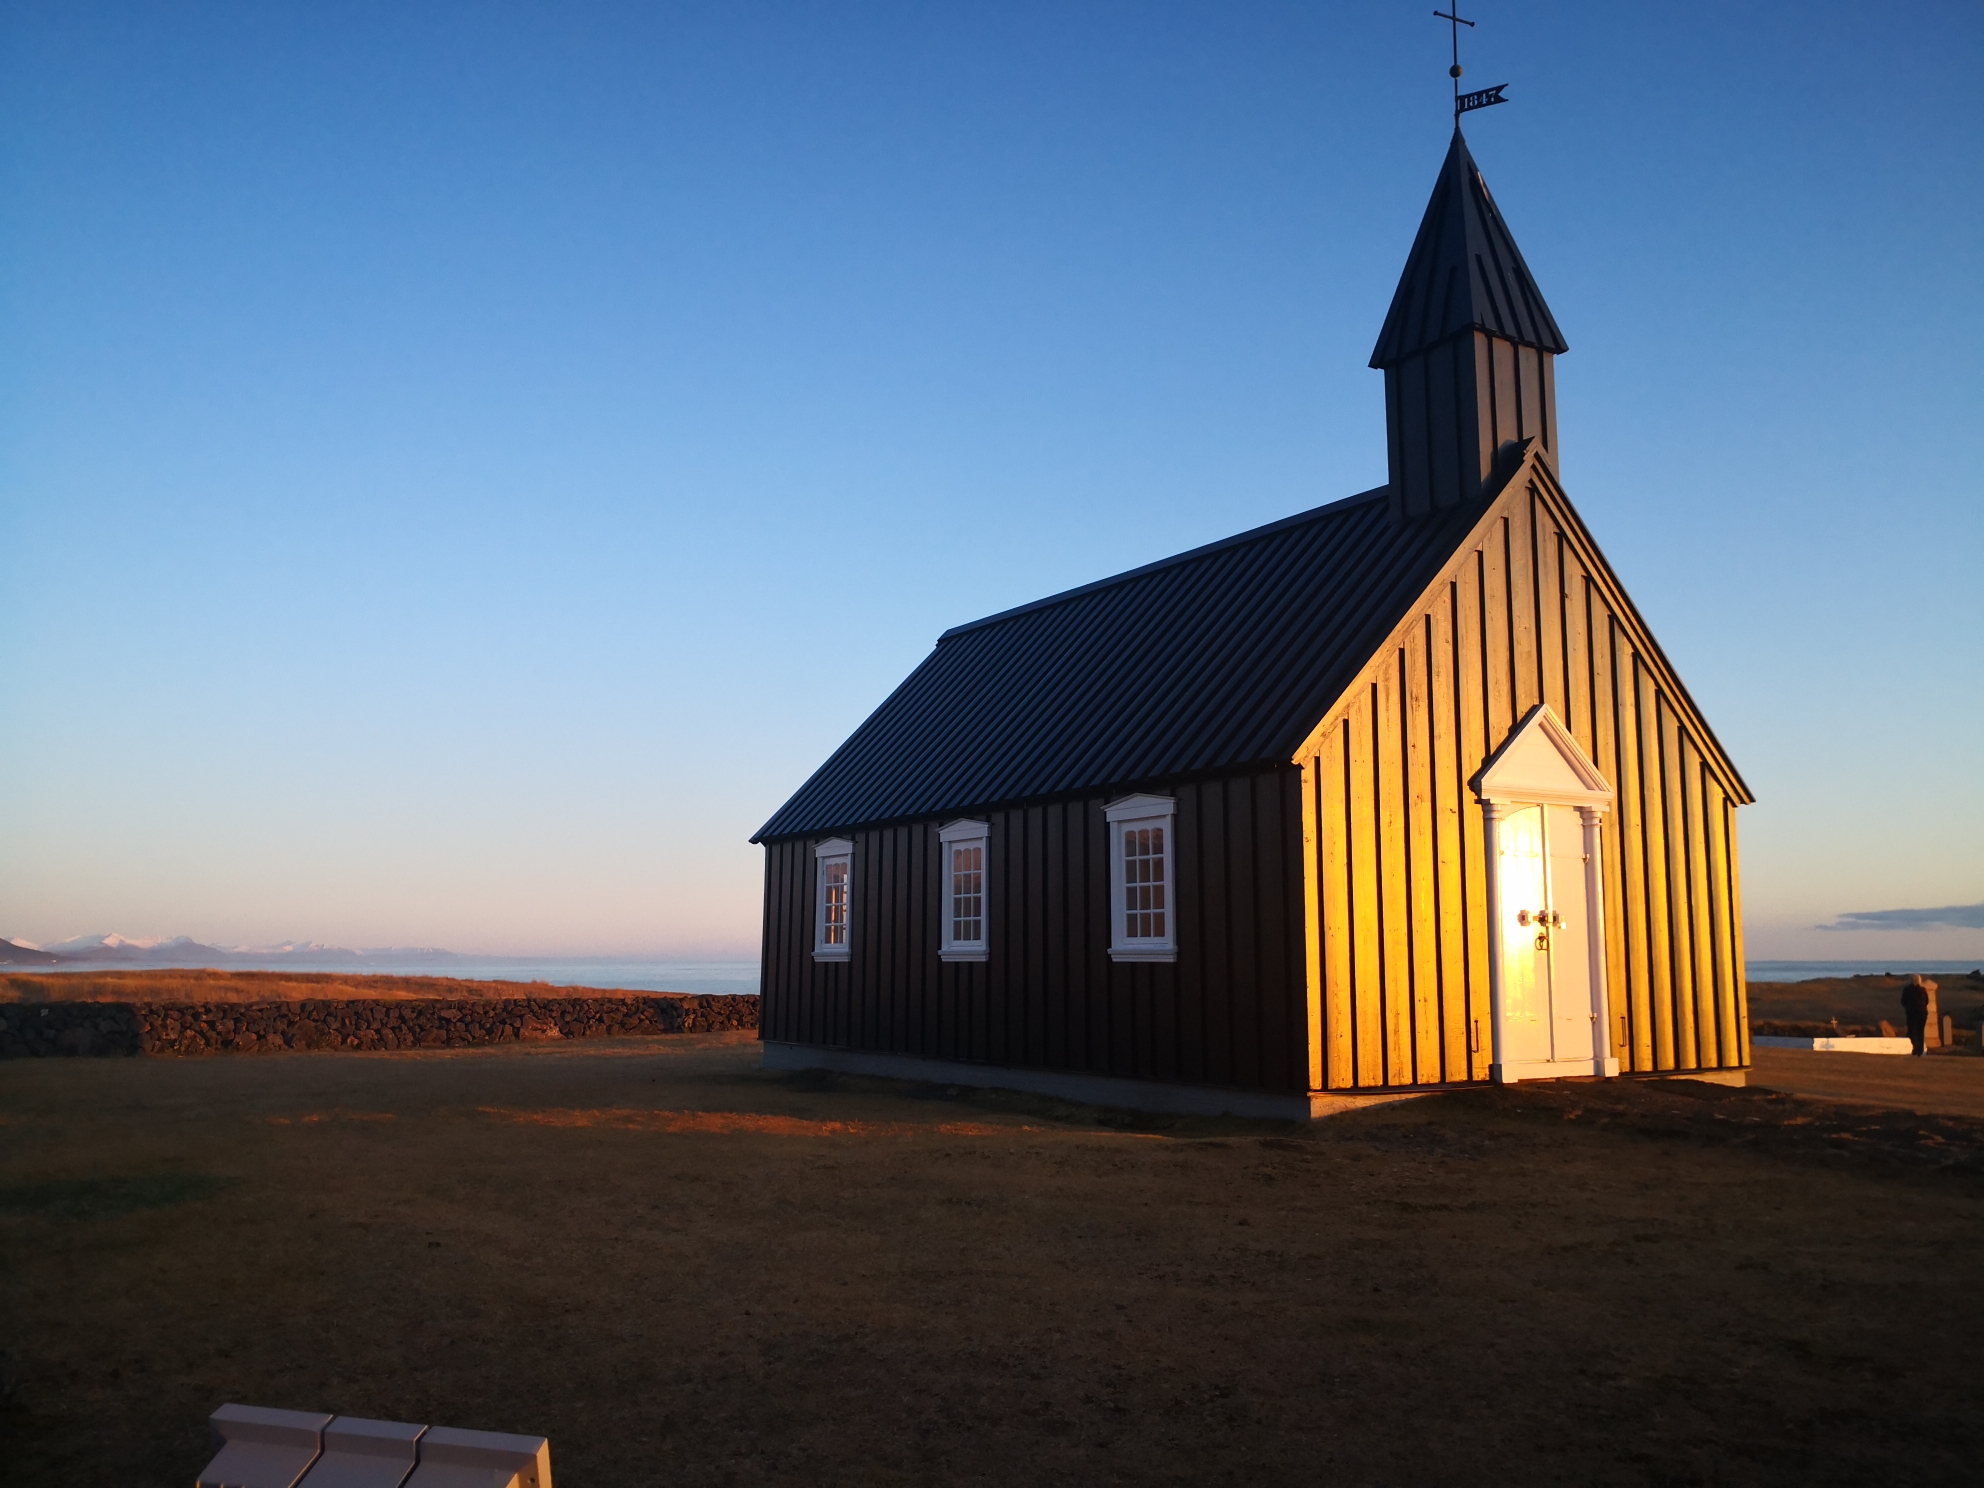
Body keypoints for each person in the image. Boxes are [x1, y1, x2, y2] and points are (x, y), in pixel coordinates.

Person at [1900, 975, 1932, 1057]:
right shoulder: (1922, 990)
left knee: (1911, 1031)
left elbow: (1903, 1001)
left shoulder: (1907, 990)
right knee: (1920, 1031)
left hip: (1911, 1013)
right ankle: (1919, 1050)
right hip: (1923, 1012)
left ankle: (1917, 1048)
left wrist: (1908, 1007)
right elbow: (1927, 1001)